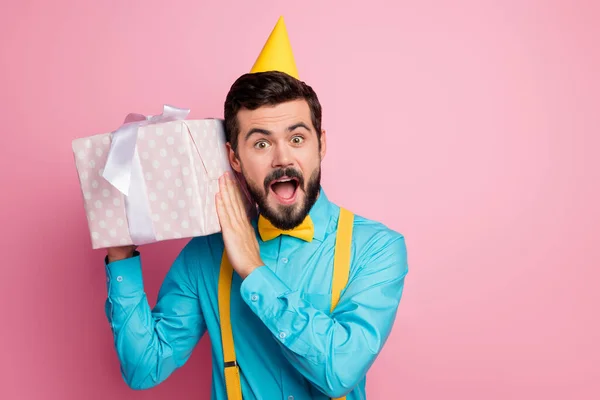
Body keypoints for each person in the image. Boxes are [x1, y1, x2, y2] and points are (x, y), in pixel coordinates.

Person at [103, 18, 408, 400]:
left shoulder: (376, 248)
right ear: (234, 157)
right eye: (261, 144)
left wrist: (253, 268)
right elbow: (144, 368)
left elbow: (339, 372)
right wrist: (119, 250)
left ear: (321, 145)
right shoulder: (207, 253)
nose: (283, 158)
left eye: (297, 138)